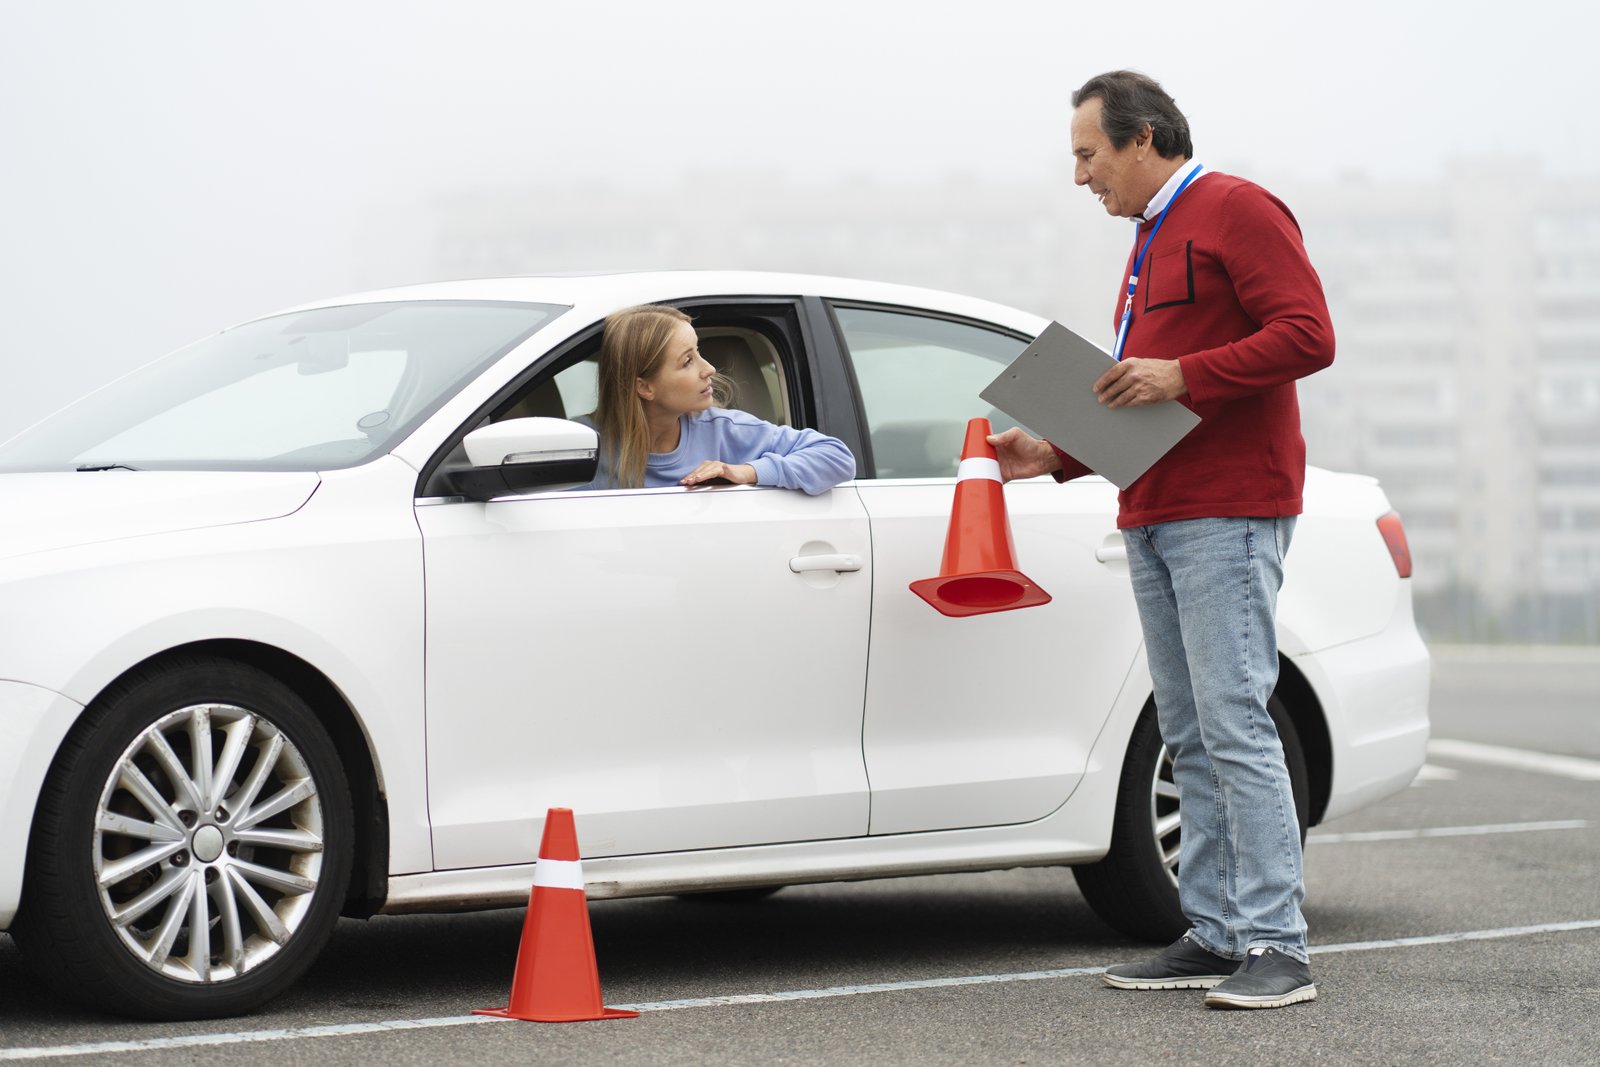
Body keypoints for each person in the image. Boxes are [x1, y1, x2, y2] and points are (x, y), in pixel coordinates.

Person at [989, 71, 1334, 1010]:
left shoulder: (1235, 207)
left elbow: (1308, 334)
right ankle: (1218, 931)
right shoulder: (1151, 238)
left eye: (1089, 155)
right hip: (1155, 509)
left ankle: (1278, 945)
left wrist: (1183, 371)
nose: (1080, 176)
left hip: (1228, 508)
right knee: (1187, 730)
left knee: (1233, 721)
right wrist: (1051, 452)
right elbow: (1142, 400)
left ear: (1144, 140)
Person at [580, 304, 854, 494]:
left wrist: (745, 473)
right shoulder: (581, 446)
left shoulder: (726, 430)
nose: (709, 368)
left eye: (699, 352)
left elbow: (838, 457)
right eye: (688, 361)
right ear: (644, 387)